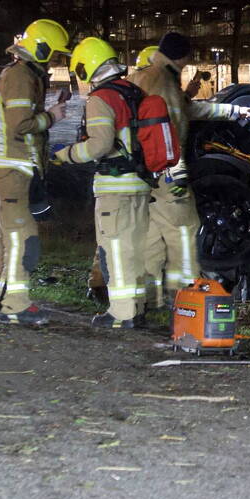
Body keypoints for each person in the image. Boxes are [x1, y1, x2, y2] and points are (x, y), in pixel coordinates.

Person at [129, 32, 250, 309]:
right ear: (183, 56)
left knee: (151, 235)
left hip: (141, 170)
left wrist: (232, 112)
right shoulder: (164, 80)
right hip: (164, 170)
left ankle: (145, 299)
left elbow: (188, 109)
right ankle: (185, 297)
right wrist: (179, 175)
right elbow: (170, 133)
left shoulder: (143, 75)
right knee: (186, 228)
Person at [52, 37, 152, 328]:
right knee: (134, 248)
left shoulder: (101, 98)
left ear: (87, 67)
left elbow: (99, 145)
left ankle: (121, 314)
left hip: (114, 187)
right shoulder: (134, 91)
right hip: (141, 184)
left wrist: (67, 155)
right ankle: (136, 308)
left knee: (114, 249)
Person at [0, 19, 71, 325]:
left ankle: (5, 297)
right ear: (40, 47)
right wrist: (52, 116)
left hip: (15, 165)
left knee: (10, 237)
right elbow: (20, 125)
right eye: (52, 54)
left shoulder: (22, 74)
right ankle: (14, 306)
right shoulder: (21, 75)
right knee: (24, 237)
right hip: (13, 167)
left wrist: (52, 108)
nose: (53, 61)